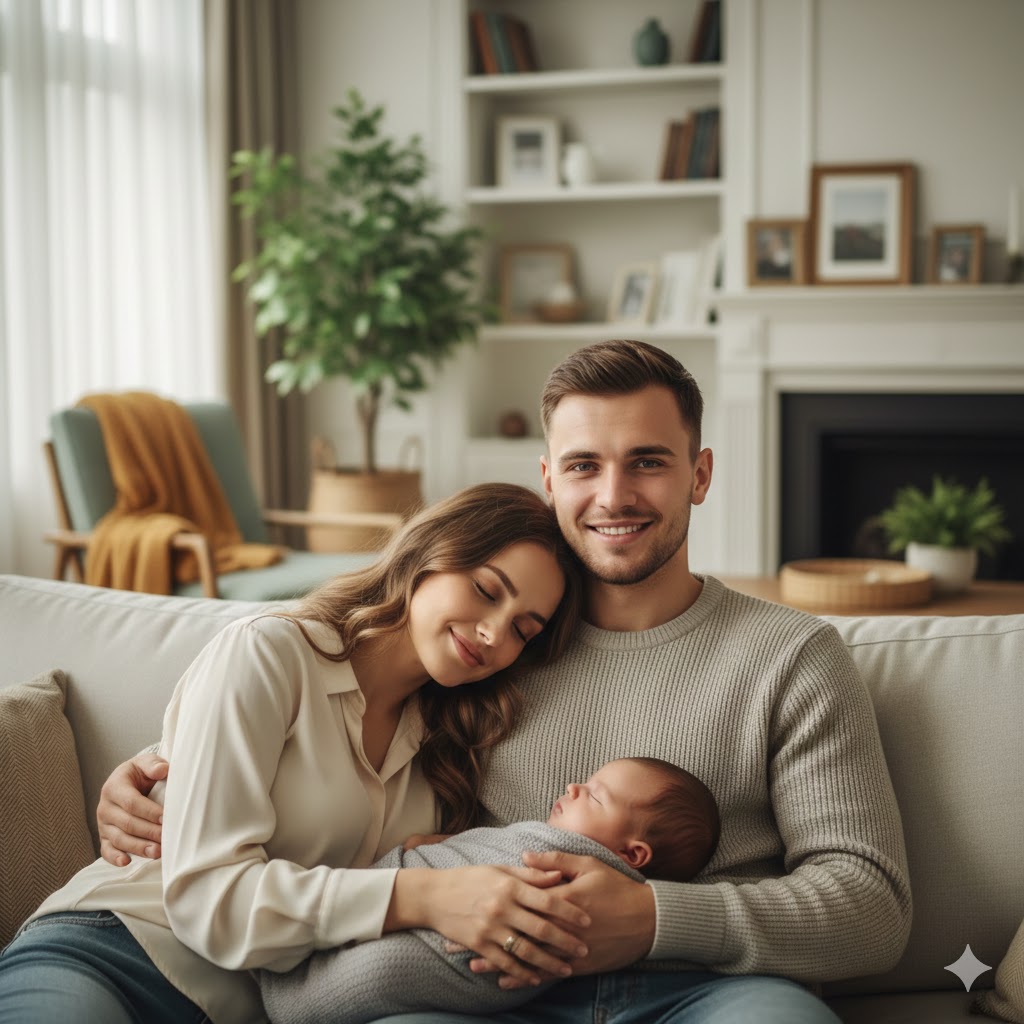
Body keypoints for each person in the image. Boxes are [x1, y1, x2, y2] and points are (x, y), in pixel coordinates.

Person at [95, 339, 913, 1024]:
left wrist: (652, 917)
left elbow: (871, 908)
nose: (614, 495)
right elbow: (333, 721)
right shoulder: (490, 656)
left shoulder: (792, 657)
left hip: (706, 990)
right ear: (551, 481)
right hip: (472, 988)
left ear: (698, 476)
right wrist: (161, 773)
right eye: (585, 465)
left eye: (648, 463)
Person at [0, 483, 587, 1024]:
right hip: (115, 949)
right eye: (486, 590)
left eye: (523, 630)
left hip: (262, 1006)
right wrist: (424, 896)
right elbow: (209, 900)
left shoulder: (451, 747)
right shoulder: (271, 652)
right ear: (430, 553)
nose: (494, 634)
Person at [260, 757, 720, 1024]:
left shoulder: (562, 872)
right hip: (420, 906)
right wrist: (450, 850)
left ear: (631, 855)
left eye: (596, 795)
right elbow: (480, 860)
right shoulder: (533, 839)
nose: (574, 787)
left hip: (462, 961)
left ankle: (301, 994)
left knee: (385, 969)